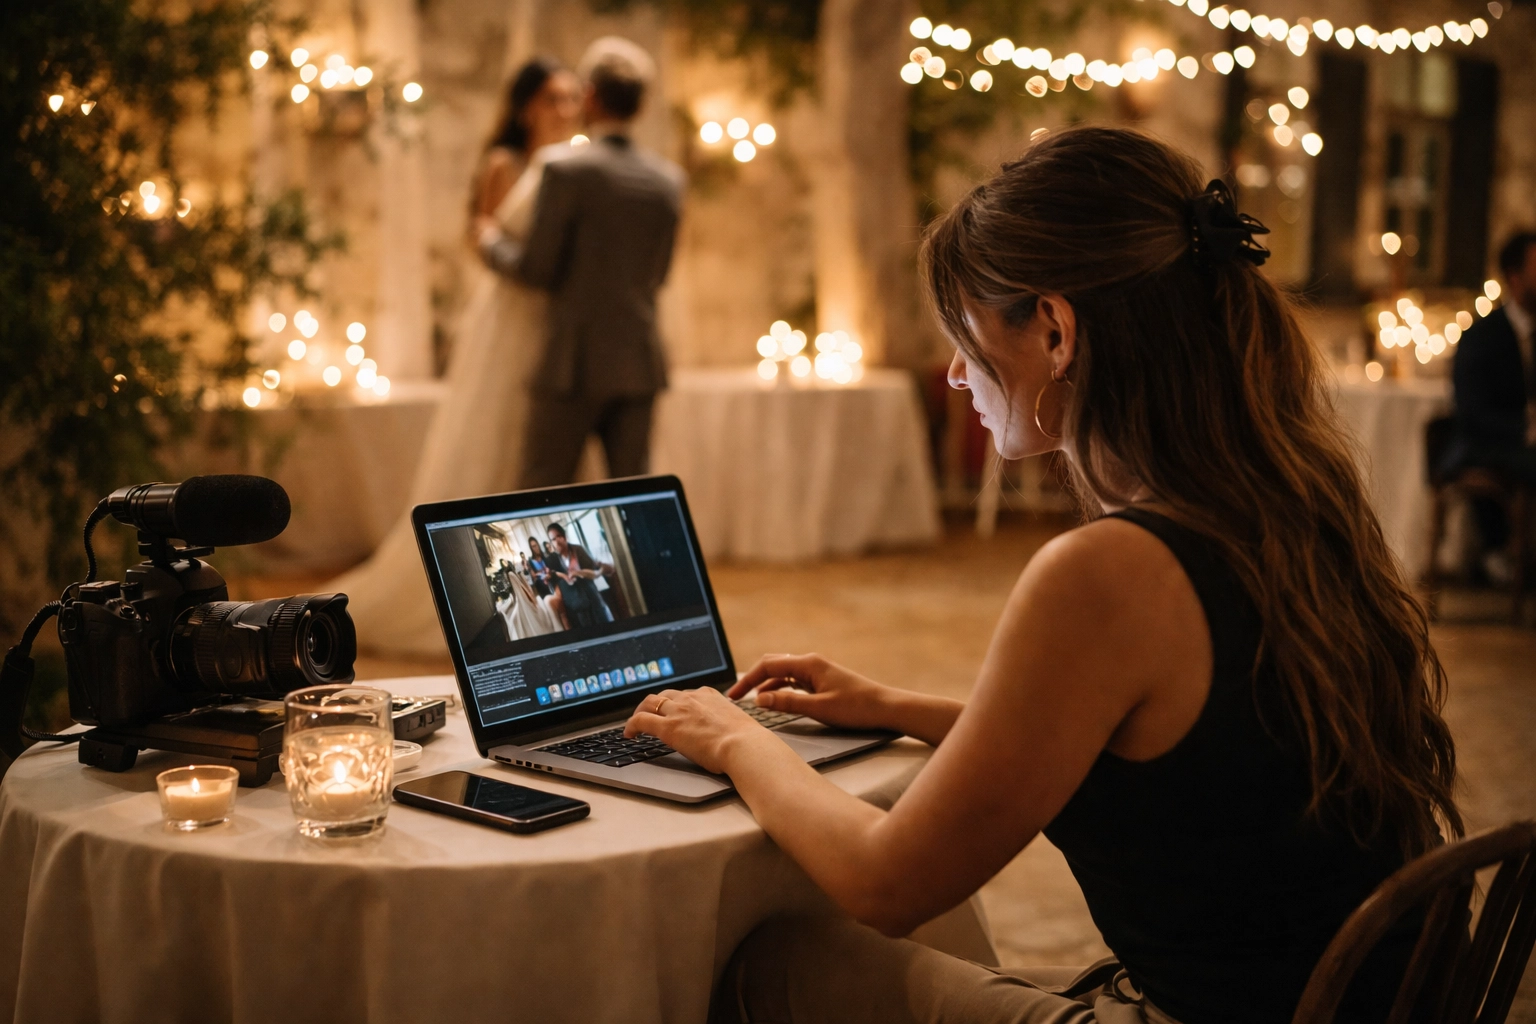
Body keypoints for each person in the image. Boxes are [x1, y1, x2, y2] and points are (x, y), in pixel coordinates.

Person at [623, 127, 1461, 1024]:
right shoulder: (1291, 505)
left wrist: (730, 736)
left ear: (1056, 330)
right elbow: (1183, 759)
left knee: (777, 962)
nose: (953, 373)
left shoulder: (1111, 571)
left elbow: (886, 881)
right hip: (1364, 1002)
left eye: (966, 336)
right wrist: (897, 706)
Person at [323, 59, 582, 656]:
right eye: (551, 98)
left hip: (552, 322)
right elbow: (482, 235)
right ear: (525, 107)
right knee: (489, 434)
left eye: (571, 98)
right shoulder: (506, 163)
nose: (563, 109)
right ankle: (473, 583)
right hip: (507, 317)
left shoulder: (574, 166)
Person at [477, 37, 684, 488]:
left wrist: (491, 242)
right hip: (638, 359)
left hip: (572, 364)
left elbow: (537, 270)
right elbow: (660, 273)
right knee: (635, 499)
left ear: (590, 95)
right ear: (642, 105)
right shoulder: (668, 181)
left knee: (542, 492)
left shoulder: (563, 168)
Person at [1443, 231, 1536, 584]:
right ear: (1515, 277)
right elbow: (1471, 414)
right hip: (1482, 443)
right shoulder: (1482, 337)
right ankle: (1503, 549)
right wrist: (1526, 431)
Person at [543, 522, 614, 628]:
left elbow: (594, 572)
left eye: (559, 536)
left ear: (564, 536)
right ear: (551, 543)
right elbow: (553, 580)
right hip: (576, 607)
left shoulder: (578, 550)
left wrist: (579, 573)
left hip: (592, 599)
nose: (557, 541)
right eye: (553, 539)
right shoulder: (553, 560)